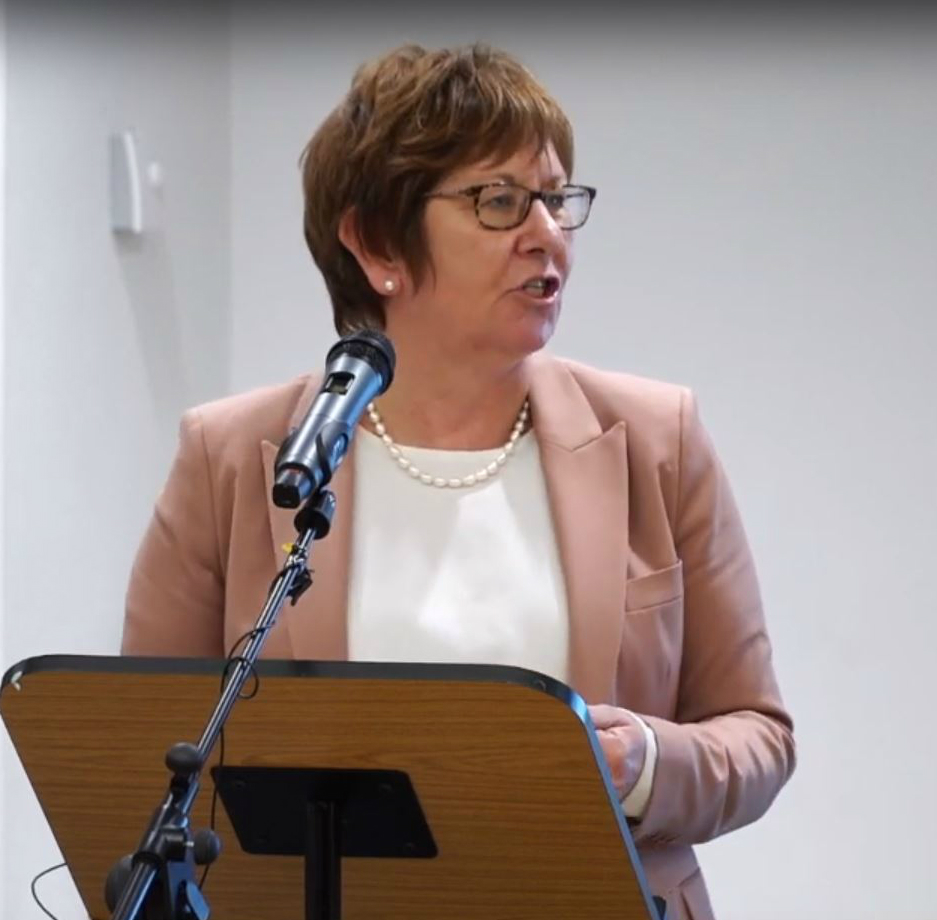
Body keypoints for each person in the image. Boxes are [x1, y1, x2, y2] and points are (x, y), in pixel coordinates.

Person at [122, 43, 795, 920]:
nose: (546, 232)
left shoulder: (655, 439)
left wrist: (645, 764)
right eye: (499, 201)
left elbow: (757, 734)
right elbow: (141, 749)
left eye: (556, 199)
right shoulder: (235, 455)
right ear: (374, 243)